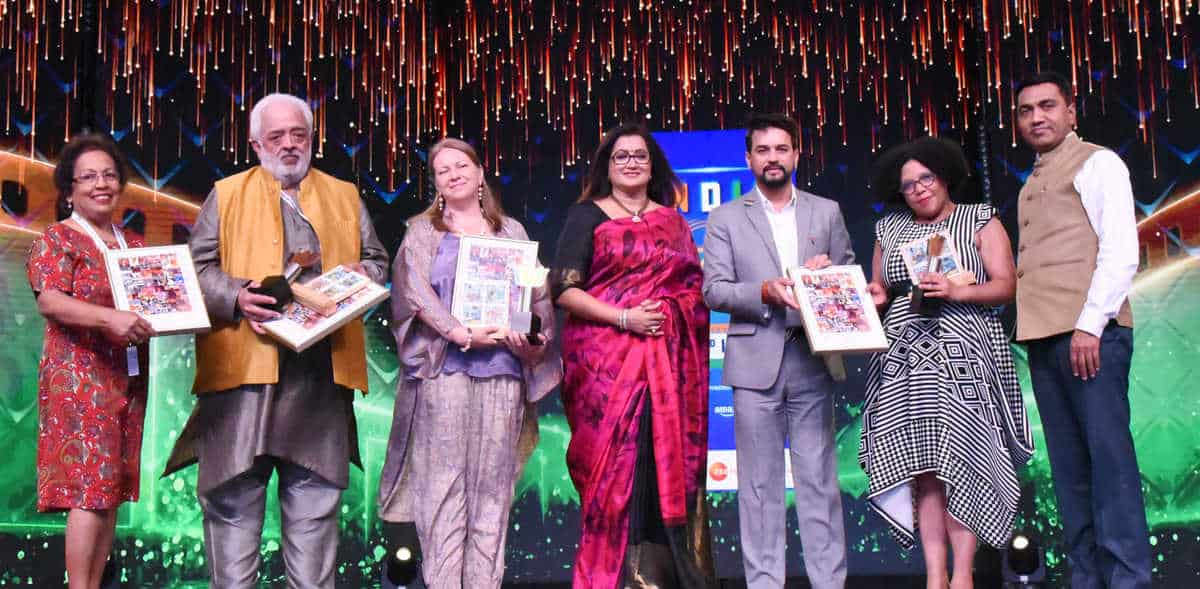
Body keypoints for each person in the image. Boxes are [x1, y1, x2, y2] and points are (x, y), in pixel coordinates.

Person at [162, 93, 389, 588]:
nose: (289, 145)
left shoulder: (344, 195)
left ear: (312, 139)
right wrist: (237, 296)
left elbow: (377, 262)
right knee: (232, 511)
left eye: (298, 135)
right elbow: (193, 270)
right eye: (276, 136)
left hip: (318, 384)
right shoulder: (226, 194)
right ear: (256, 144)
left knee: (314, 518)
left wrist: (361, 276)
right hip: (241, 384)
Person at [376, 137, 561, 589]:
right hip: (445, 372)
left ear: (480, 174)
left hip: (503, 373)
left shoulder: (512, 232)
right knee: (443, 493)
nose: (454, 175)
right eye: (443, 170)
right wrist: (459, 332)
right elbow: (413, 291)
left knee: (492, 495)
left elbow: (534, 295)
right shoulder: (422, 231)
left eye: (461, 166)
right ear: (436, 183)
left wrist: (529, 337)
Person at [861, 137, 1034, 589]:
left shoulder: (979, 218)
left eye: (926, 178)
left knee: (965, 459)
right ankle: (935, 577)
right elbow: (881, 289)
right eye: (908, 185)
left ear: (944, 176)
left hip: (965, 358)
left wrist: (959, 291)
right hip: (904, 362)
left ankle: (963, 576)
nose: (919, 189)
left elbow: (1006, 286)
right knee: (923, 469)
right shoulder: (888, 229)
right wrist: (872, 297)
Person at [550, 123, 715, 588]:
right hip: (605, 371)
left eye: (639, 155)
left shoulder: (673, 221)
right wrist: (625, 318)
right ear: (606, 166)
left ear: (652, 165)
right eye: (620, 156)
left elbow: (694, 290)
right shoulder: (587, 216)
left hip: (668, 368)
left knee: (660, 472)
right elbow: (563, 290)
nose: (630, 163)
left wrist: (668, 312)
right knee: (616, 477)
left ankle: (661, 577)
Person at [1013, 71, 1151, 588]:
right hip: (1046, 340)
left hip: (1090, 337)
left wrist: (1090, 326)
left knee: (1109, 467)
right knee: (1071, 474)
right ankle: (1087, 581)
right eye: (1026, 111)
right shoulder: (1032, 182)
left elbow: (1121, 250)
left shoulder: (1098, 162)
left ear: (1071, 112)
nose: (1037, 118)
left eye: (1047, 106)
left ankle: (1129, 582)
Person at [701, 113, 851, 589]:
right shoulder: (726, 217)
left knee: (819, 484)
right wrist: (764, 291)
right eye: (762, 150)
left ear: (796, 155)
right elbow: (714, 290)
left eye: (781, 149)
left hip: (812, 359)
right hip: (754, 364)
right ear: (748, 159)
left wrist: (828, 276)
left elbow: (848, 280)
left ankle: (829, 583)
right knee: (759, 488)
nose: (772, 158)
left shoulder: (826, 212)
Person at [26, 133, 153, 589]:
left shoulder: (134, 246)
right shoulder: (58, 239)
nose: (102, 184)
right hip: (80, 378)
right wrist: (108, 318)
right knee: (90, 488)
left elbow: (161, 302)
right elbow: (50, 301)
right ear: (69, 189)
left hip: (127, 377)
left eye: (109, 175)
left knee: (110, 489)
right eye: (89, 177)